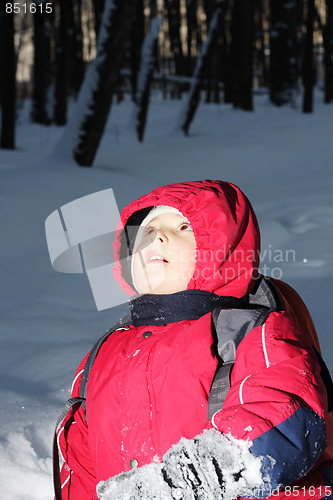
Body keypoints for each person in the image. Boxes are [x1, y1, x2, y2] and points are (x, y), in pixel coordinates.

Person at [55, 180, 333, 500]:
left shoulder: (253, 331)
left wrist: (182, 480)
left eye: (183, 226)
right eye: (145, 231)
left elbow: (282, 418)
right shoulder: (103, 355)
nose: (157, 236)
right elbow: (80, 463)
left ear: (223, 248)